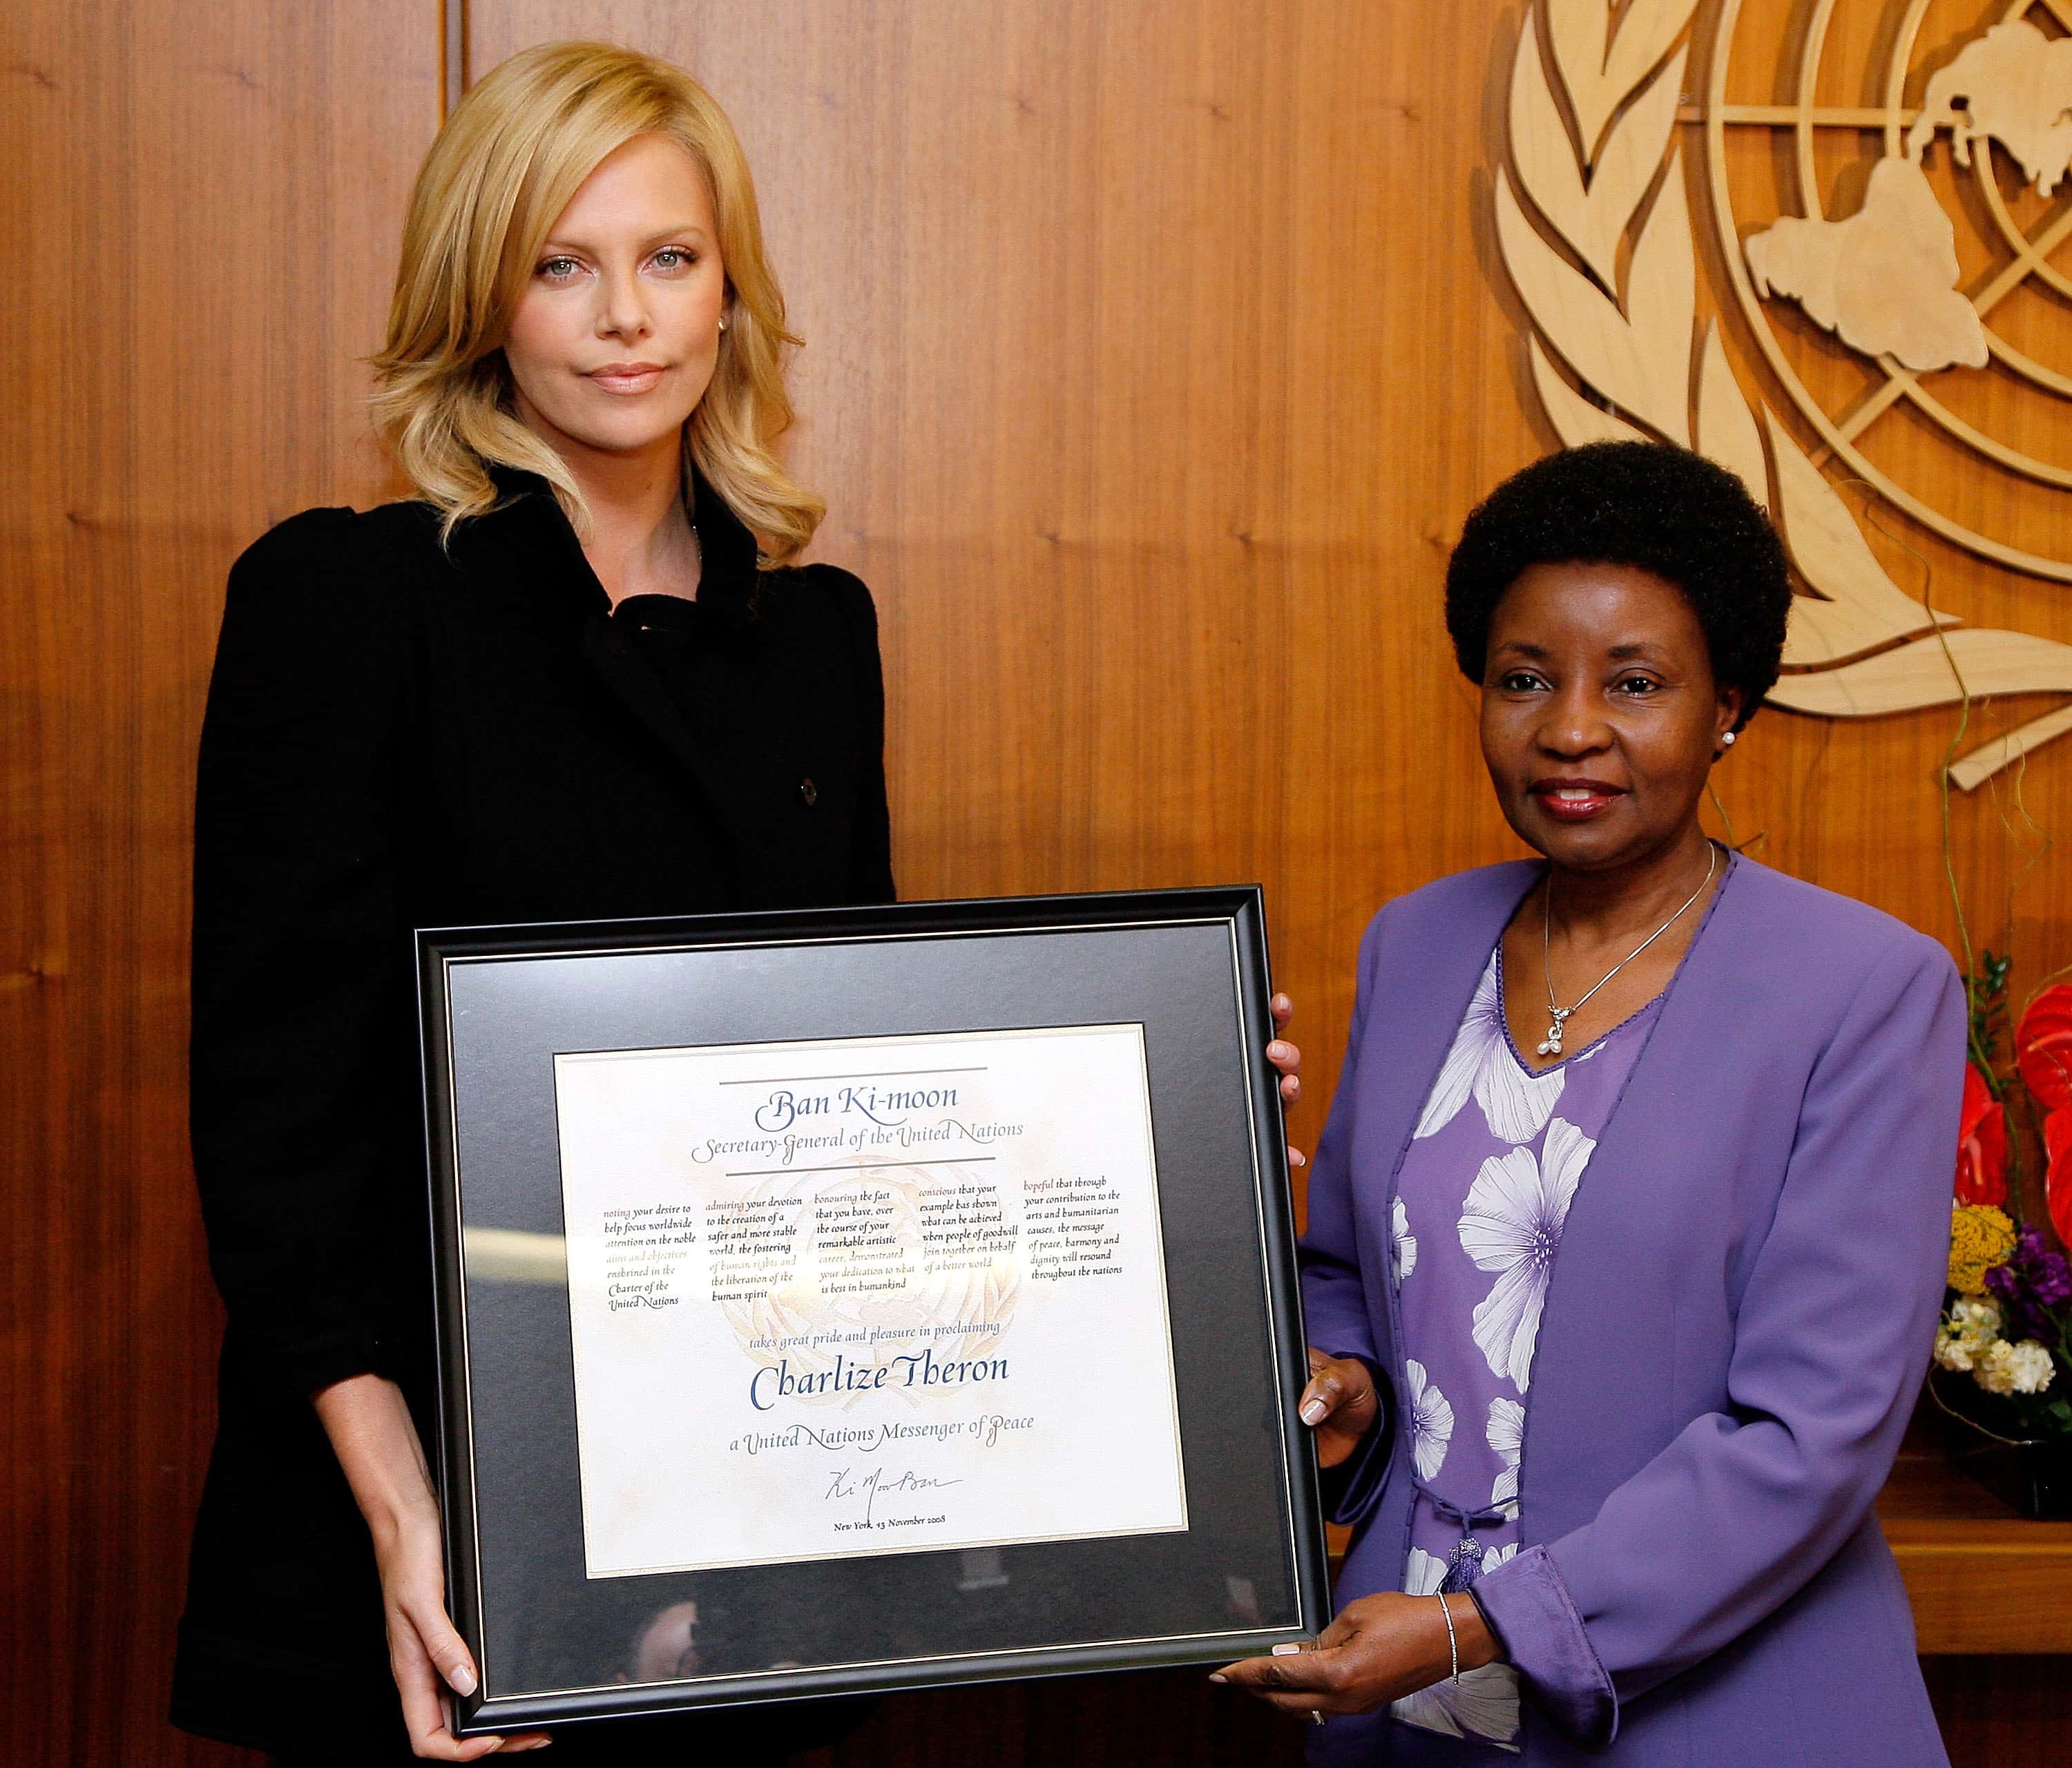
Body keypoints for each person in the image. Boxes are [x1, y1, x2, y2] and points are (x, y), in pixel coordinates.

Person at [175, 42, 1301, 1764]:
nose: (623, 314)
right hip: (438, 1503)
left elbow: (859, 1075)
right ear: (484, 295)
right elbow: (277, 1127)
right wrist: (407, 1511)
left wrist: (1165, 1111)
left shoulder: (813, 632)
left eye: (668, 259)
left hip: (748, 1508)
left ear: (727, 296)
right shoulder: (349, 597)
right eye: (563, 263)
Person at [1217, 441, 1966, 1766]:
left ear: (1727, 704)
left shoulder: (1865, 989)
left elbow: (1812, 1434)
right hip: (1407, 1708)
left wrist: (1477, 1625)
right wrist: (1340, 1396)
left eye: (1635, 683)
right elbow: (1348, 1275)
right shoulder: (1416, 944)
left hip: (1716, 1713)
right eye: (1523, 680)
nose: (1570, 727)